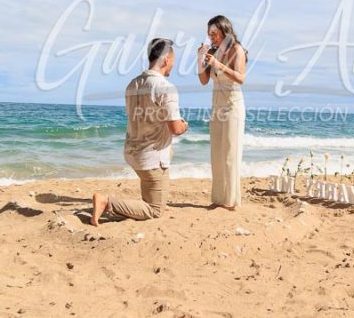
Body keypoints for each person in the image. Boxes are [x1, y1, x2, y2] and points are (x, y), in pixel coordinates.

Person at [91, 38, 188, 226]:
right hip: (152, 158)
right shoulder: (166, 88)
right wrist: (185, 124)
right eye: (173, 61)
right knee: (155, 211)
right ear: (166, 59)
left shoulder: (132, 84)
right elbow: (175, 128)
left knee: (150, 195)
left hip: (133, 152)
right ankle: (106, 201)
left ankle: (131, 205)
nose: (172, 66)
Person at [198, 15, 246, 210]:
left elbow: (240, 78)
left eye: (214, 33)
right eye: (209, 34)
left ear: (225, 31)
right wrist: (200, 58)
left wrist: (219, 65)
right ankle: (219, 199)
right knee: (217, 153)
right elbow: (203, 80)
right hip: (216, 106)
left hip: (233, 105)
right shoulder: (211, 51)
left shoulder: (237, 50)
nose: (211, 38)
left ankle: (232, 201)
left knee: (230, 153)